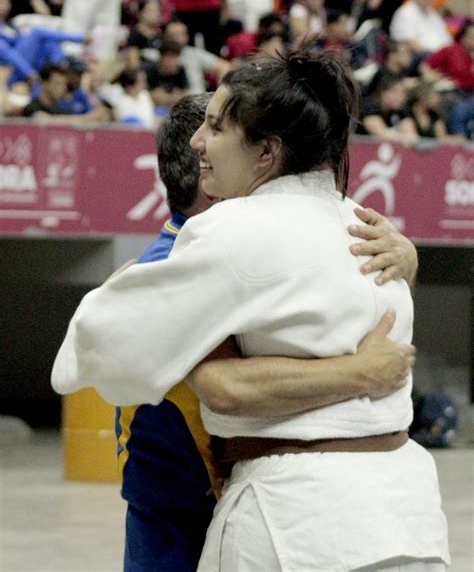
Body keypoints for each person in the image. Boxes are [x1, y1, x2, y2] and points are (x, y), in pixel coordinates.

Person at [52, 49, 449, 570]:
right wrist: (360, 371)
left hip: (294, 522)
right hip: (408, 516)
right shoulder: (369, 229)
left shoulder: (228, 229)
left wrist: (145, 309)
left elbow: (90, 348)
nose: (198, 144)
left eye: (215, 128)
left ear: (266, 153)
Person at [115, 93, 419, 571]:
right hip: (182, 514)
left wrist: (405, 260)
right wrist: (362, 372)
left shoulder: (232, 250)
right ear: (208, 174)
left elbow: (355, 307)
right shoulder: (179, 272)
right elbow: (228, 388)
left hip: (205, 502)